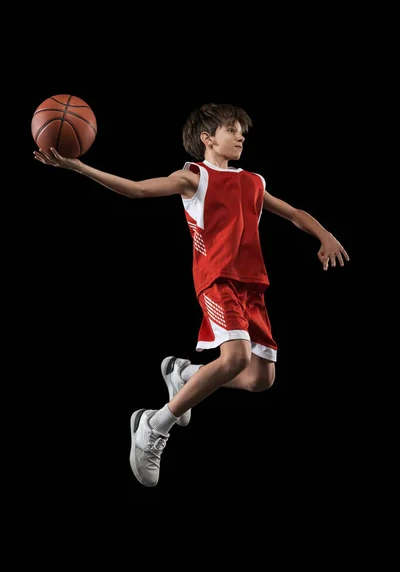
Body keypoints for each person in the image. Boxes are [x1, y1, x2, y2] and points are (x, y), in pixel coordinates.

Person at [33, 103, 350, 488]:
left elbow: (296, 213)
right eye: (233, 130)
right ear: (207, 138)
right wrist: (80, 168)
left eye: (241, 131)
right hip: (216, 280)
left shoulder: (253, 181)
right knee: (236, 357)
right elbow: (136, 189)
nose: (241, 136)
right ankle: (153, 424)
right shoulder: (194, 178)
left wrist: (324, 234)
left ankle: (185, 373)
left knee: (260, 379)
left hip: (253, 287)